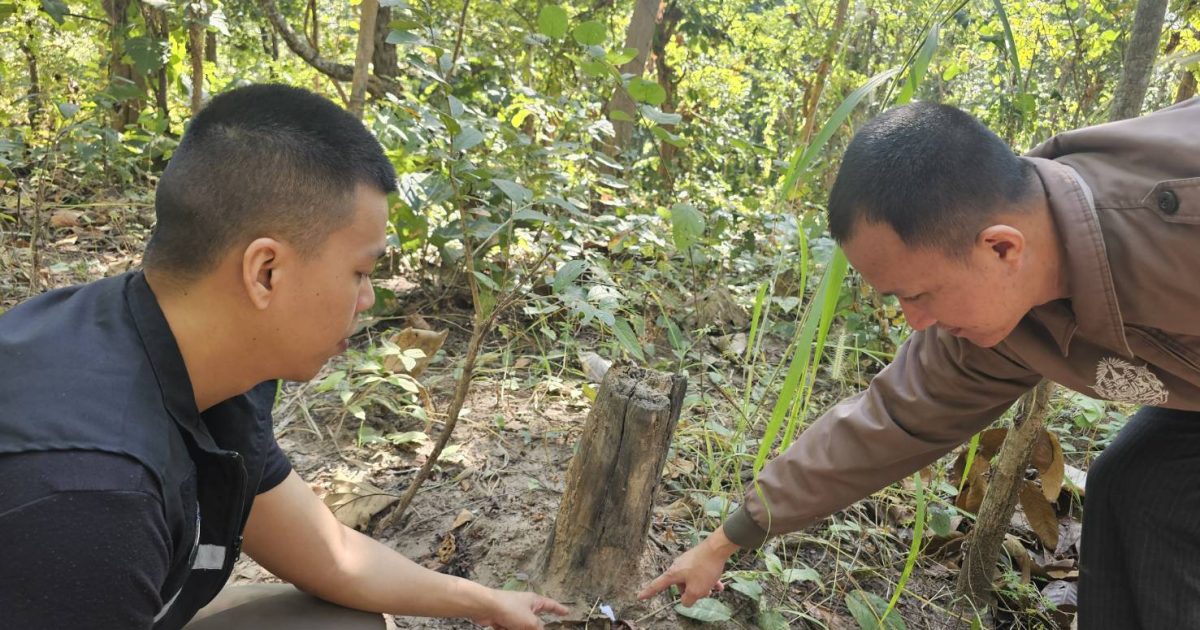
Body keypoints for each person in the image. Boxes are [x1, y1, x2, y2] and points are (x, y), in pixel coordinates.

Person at [0, 84, 568, 630]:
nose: (368, 300)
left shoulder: (195, 359)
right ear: (265, 272)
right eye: (360, 272)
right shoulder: (90, 494)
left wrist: (486, 602)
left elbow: (332, 555)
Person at [639, 98, 1200, 629]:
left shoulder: (1176, 221)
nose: (915, 321)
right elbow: (887, 423)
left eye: (919, 295)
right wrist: (723, 542)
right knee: (1137, 485)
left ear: (1001, 248)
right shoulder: (994, 320)